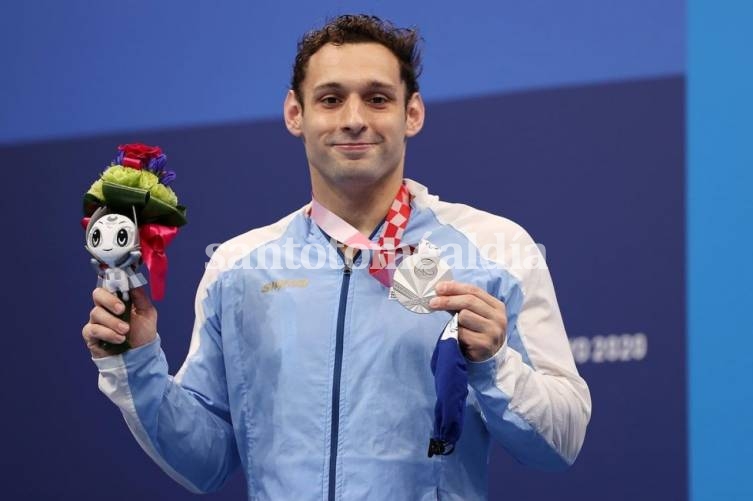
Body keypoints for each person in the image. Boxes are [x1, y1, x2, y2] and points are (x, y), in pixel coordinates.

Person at [82, 14, 591, 501]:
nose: (353, 120)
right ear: (294, 114)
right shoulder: (238, 268)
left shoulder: (495, 249)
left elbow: (561, 441)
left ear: (411, 113)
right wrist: (137, 363)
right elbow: (207, 462)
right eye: (330, 99)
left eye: (376, 98)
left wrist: (496, 365)